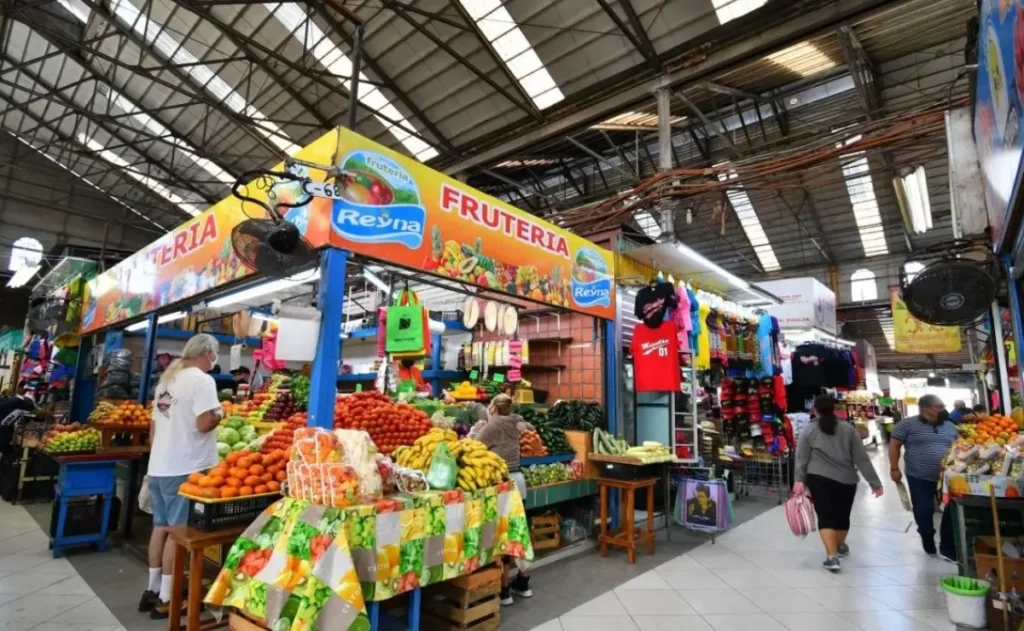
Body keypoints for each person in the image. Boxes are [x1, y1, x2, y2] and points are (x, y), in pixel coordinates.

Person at [140, 334, 224, 619]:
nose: (215, 360)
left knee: (160, 528)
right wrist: (219, 413)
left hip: (159, 467)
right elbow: (204, 424)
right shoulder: (202, 381)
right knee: (178, 534)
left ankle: (151, 589)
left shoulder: (166, 381)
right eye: (215, 354)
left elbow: (153, 429)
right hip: (185, 469)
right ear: (207, 353)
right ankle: (167, 597)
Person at [794, 395, 883, 572]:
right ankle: (839, 545)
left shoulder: (809, 430)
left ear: (815, 410)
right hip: (846, 479)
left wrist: (799, 480)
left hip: (818, 478)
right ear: (834, 408)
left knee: (826, 516)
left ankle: (832, 556)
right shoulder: (848, 429)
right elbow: (861, 458)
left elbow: (801, 457)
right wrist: (875, 483)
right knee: (842, 517)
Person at [474, 394, 534, 605]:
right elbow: (529, 428)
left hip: (502, 483)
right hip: (519, 480)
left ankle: (504, 590)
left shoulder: (494, 426)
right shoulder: (517, 420)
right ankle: (524, 583)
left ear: (494, 409)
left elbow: (474, 446)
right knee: (521, 532)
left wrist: (477, 427)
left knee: (503, 535)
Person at [889, 393, 958, 556]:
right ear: (925, 408)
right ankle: (927, 538)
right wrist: (894, 468)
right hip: (918, 476)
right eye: (939, 407)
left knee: (949, 512)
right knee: (924, 511)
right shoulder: (907, 425)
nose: (943, 410)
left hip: (946, 479)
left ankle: (948, 548)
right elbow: (894, 445)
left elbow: (960, 447)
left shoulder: (950, 426)